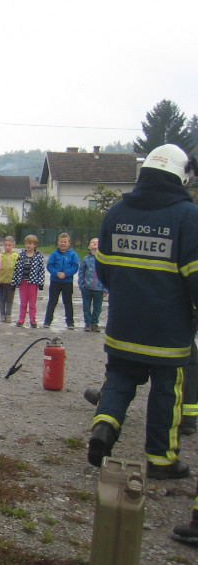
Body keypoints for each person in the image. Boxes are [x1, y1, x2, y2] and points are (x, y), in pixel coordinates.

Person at [87, 144, 198, 484]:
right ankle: (161, 460)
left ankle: (104, 427)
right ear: (180, 176)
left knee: (119, 380)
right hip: (169, 330)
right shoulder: (188, 216)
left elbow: (103, 270)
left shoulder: (117, 212)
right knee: (166, 391)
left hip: (123, 323)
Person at [43, 232, 79, 330]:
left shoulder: (73, 254)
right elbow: (50, 266)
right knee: (52, 301)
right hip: (55, 281)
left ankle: (70, 322)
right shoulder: (54, 254)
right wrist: (56, 273)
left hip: (67, 282)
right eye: (61, 242)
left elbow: (75, 266)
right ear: (58, 242)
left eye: (65, 242)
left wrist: (66, 274)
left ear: (69, 243)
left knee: (68, 302)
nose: (63, 244)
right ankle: (47, 321)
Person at [11, 234, 45, 327]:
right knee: (23, 302)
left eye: (30, 243)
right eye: (26, 243)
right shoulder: (21, 255)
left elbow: (41, 270)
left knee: (32, 304)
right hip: (23, 282)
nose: (28, 245)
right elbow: (17, 269)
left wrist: (41, 282)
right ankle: (21, 319)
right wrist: (14, 282)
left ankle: (33, 321)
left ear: (35, 245)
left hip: (33, 283)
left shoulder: (39, 257)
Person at [78, 237, 107, 332]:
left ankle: (95, 323)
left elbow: (107, 275)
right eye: (93, 242)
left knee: (97, 307)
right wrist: (81, 284)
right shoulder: (86, 259)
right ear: (89, 246)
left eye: (97, 242)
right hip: (87, 287)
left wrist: (106, 289)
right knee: (86, 306)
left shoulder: (104, 260)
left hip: (99, 288)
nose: (95, 243)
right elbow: (81, 272)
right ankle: (88, 323)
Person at [0, 236, 18, 324]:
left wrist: (17, 280)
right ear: (3, 245)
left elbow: (18, 269)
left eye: (9, 245)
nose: (7, 247)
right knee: (2, 299)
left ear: (13, 245)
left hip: (11, 281)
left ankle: (8, 314)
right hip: (1, 281)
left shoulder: (16, 256)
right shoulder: (0, 256)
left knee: (10, 299)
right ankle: (2, 314)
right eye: (5, 245)